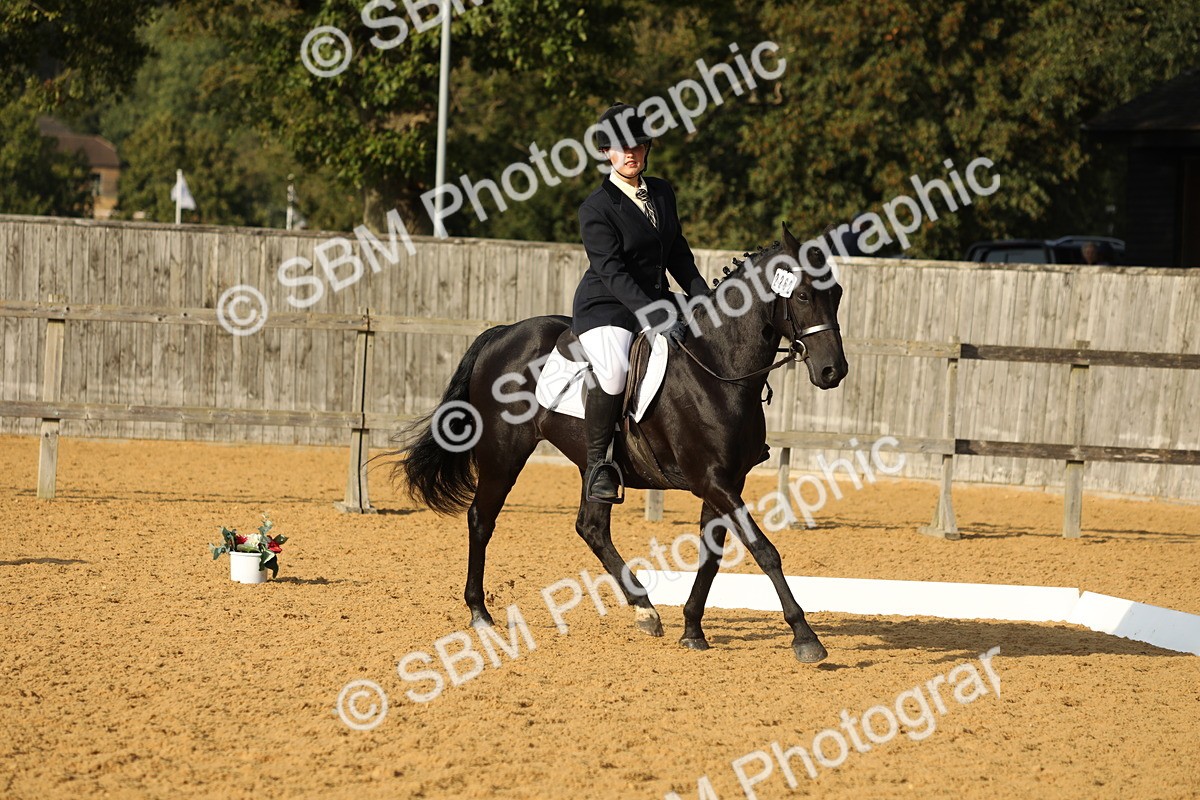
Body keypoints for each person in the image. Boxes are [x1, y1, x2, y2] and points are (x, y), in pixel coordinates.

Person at [573, 102, 709, 504]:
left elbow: (677, 250)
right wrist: (653, 311)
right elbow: (612, 272)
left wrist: (699, 292)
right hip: (607, 306)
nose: (630, 154)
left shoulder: (663, 192)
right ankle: (599, 465)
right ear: (606, 153)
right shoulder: (595, 208)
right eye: (621, 147)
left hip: (659, 299)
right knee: (614, 371)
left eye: (638, 145)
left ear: (647, 148)